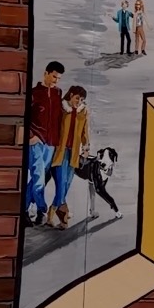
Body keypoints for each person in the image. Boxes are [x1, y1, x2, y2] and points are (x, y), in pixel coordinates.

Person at [25, 60, 65, 224]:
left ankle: (24, 210)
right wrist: (30, 135)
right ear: (46, 74)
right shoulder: (34, 93)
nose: (56, 81)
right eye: (54, 77)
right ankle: (42, 210)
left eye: (59, 78)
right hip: (36, 142)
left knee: (36, 179)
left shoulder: (58, 93)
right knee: (39, 179)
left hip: (51, 144)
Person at [48, 84, 89, 228]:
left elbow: (84, 132)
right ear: (71, 95)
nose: (79, 101)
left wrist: (86, 146)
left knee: (66, 185)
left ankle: (51, 213)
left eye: (82, 99)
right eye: (77, 98)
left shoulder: (83, 112)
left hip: (74, 153)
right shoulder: (61, 109)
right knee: (61, 182)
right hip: (60, 151)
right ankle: (63, 214)